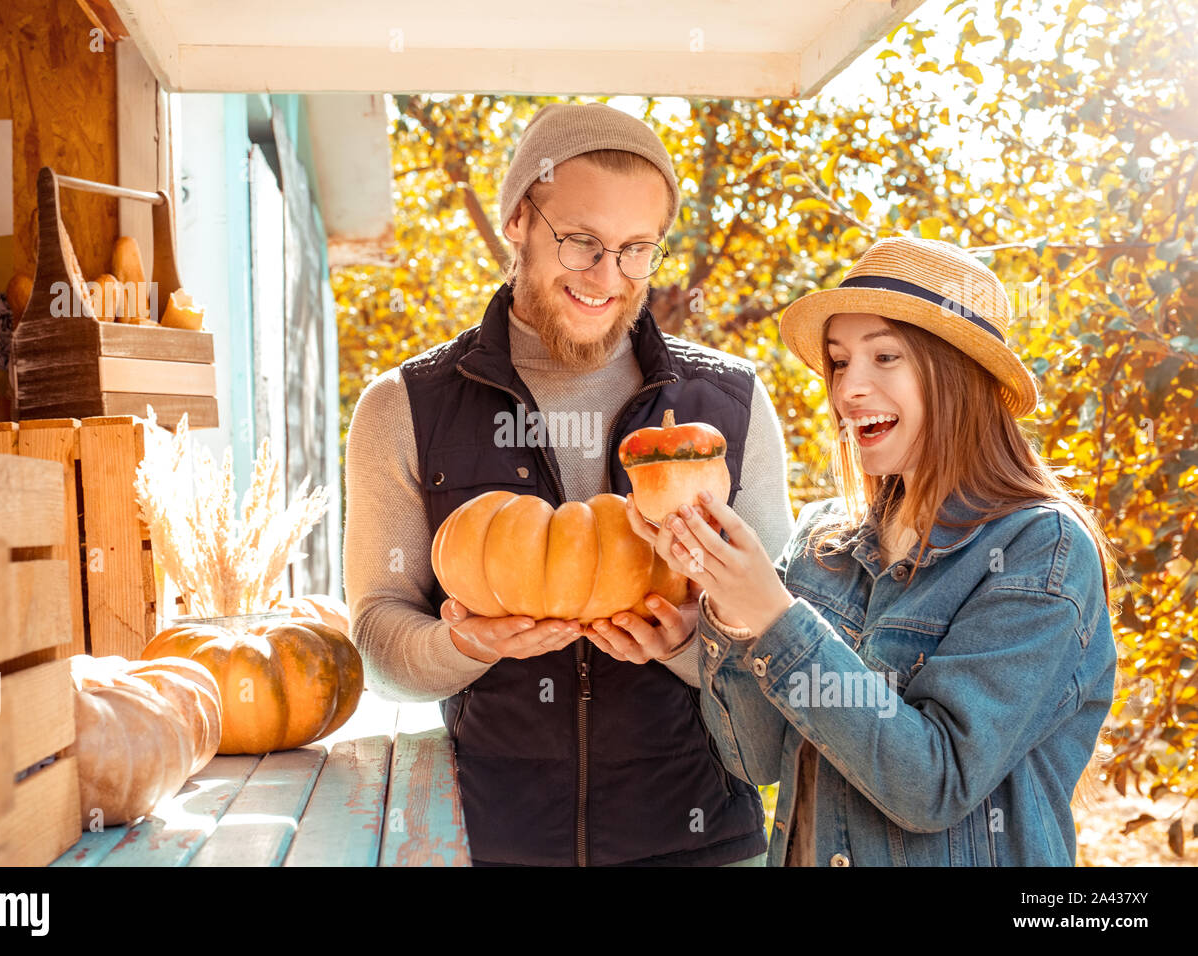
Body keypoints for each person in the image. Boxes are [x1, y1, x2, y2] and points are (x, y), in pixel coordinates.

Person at [343, 102, 794, 865]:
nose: (606, 278)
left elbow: (782, 651)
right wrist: (461, 646)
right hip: (488, 843)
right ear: (519, 218)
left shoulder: (731, 405)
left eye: (636, 249)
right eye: (581, 242)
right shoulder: (405, 407)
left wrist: (688, 648)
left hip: (701, 843)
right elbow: (378, 639)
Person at [626, 236, 1117, 865]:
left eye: (885, 356)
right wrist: (727, 607)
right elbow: (753, 756)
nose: (848, 389)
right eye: (839, 361)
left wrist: (775, 619)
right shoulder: (823, 538)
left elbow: (934, 785)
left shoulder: (1038, 549)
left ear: (959, 375)